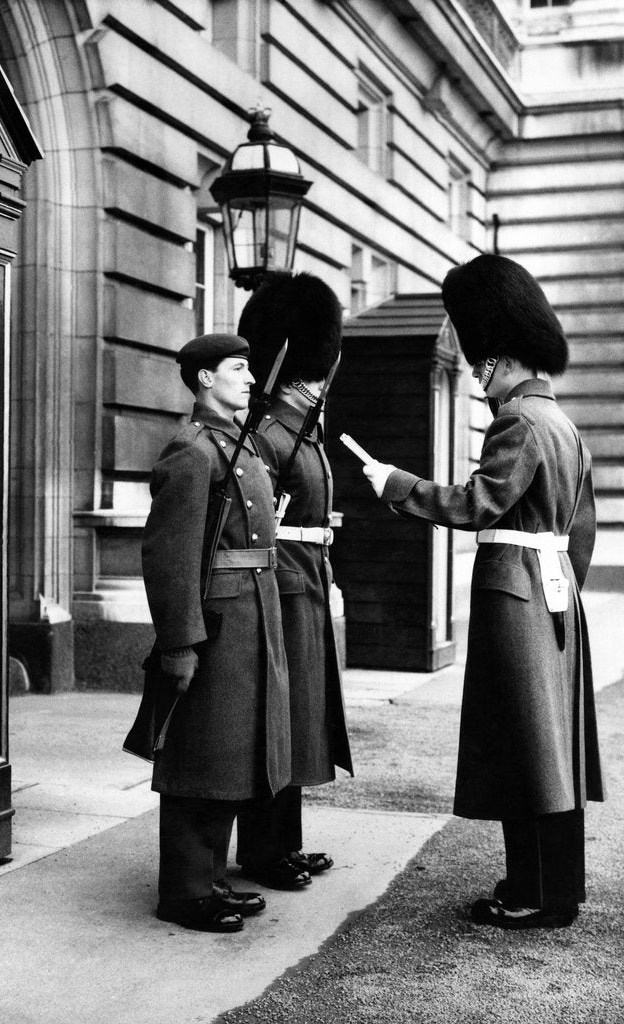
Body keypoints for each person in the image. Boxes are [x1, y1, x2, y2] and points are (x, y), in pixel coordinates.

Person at [362, 253, 604, 929]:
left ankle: (532, 894)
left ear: (497, 356)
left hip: (514, 597)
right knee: (548, 750)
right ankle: (554, 886)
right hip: (554, 597)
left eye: (479, 365)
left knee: (522, 750)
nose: (477, 378)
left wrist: (396, 486)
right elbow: (582, 531)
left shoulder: (519, 422)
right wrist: (559, 596)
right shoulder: (566, 426)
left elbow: (477, 504)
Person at [125, 333, 292, 933]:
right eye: (238, 369)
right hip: (217, 623)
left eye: (251, 368)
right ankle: (186, 891)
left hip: (252, 615)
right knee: (202, 753)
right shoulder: (193, 451)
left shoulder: (238, 448)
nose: (250, 379)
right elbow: (169, 557)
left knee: (230, 754)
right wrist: (179, 642)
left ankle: (211, 877)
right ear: (203, 379)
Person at [234, 272, 354, 890]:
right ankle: (262, 852)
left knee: (301, 721)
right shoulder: (268, 433)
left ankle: (286, 842)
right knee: (275, 722)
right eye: (310, 374)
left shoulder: (304, 433)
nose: (318, 385)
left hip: (306, 585)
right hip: (279, 587)